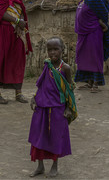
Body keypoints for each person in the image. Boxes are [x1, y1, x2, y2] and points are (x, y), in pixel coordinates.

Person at [28, 37, 77, 178]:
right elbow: (42, 84)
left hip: (57, 108)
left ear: (63, 50)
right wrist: (34, 97)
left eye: (56, 49)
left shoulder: (65, 68)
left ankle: (55, 166)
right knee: (38, 136)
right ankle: (40, 166)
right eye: (50, 50)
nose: (52, 52)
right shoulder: (47, 65)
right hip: (42, 106)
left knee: (55, 137)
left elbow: (69, 90)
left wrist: (68, 108)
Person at [74, 0, 109, 93]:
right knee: (84, 57)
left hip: (94, 32)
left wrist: (101, 22)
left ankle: (96, 84)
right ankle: (89, 82)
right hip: (83, 33)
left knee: (95, 57)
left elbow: (104, 12)